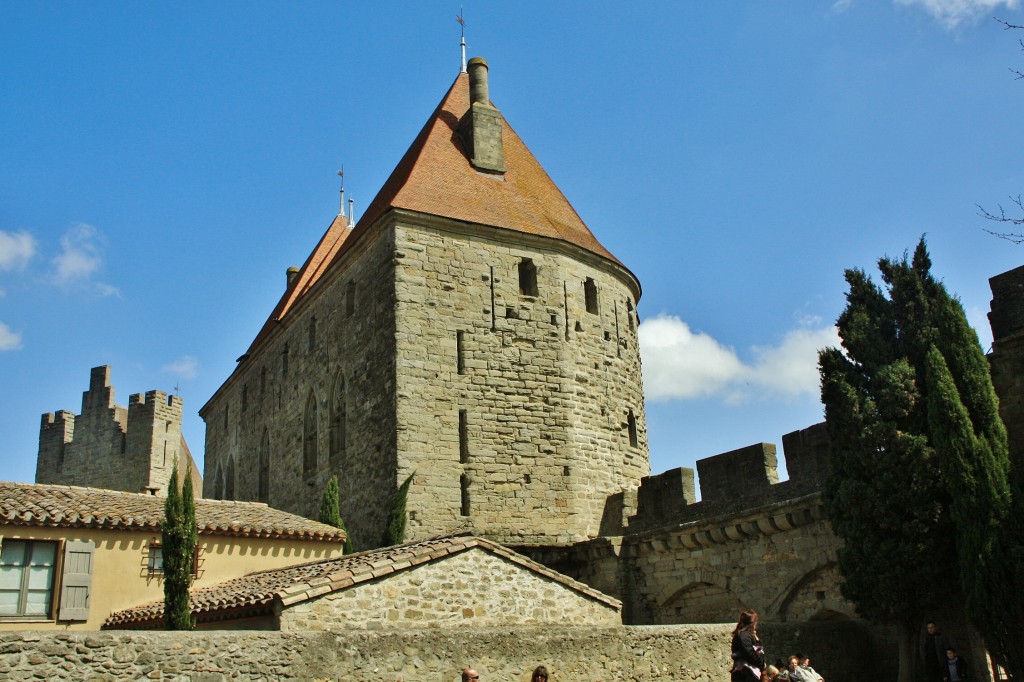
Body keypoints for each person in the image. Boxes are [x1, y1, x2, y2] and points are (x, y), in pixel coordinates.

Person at [730, 610, 766, 682]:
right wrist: (762, 664)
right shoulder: (744, 635)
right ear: (754, 623)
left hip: (750, 674)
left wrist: (757, 639)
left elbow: (759, 652)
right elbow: (749, 653)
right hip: (746, 674)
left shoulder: (748, 635)